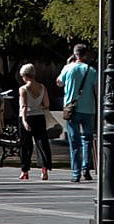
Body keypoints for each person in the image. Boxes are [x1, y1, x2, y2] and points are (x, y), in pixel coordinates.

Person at [58, 43, 97, 183]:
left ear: (75, 54)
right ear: (85, 55)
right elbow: (96, 90)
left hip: (71, 109)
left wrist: (67, 64)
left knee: (74, 142)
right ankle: (86, 168)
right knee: (87, 140)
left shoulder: (68, 68)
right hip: (89, 109)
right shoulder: (91, 71)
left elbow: (59, 83)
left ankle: (76, 173)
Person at [15, 63, 53, 181]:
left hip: (27, 117)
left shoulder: (23, 89)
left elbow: (24, 106)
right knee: (42, 143)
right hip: (40, 117)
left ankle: (25, 171)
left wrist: (25, 121)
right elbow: (47, 104)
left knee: (25, 146)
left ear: (25, 76)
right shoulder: (42, 87)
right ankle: (44, 169)